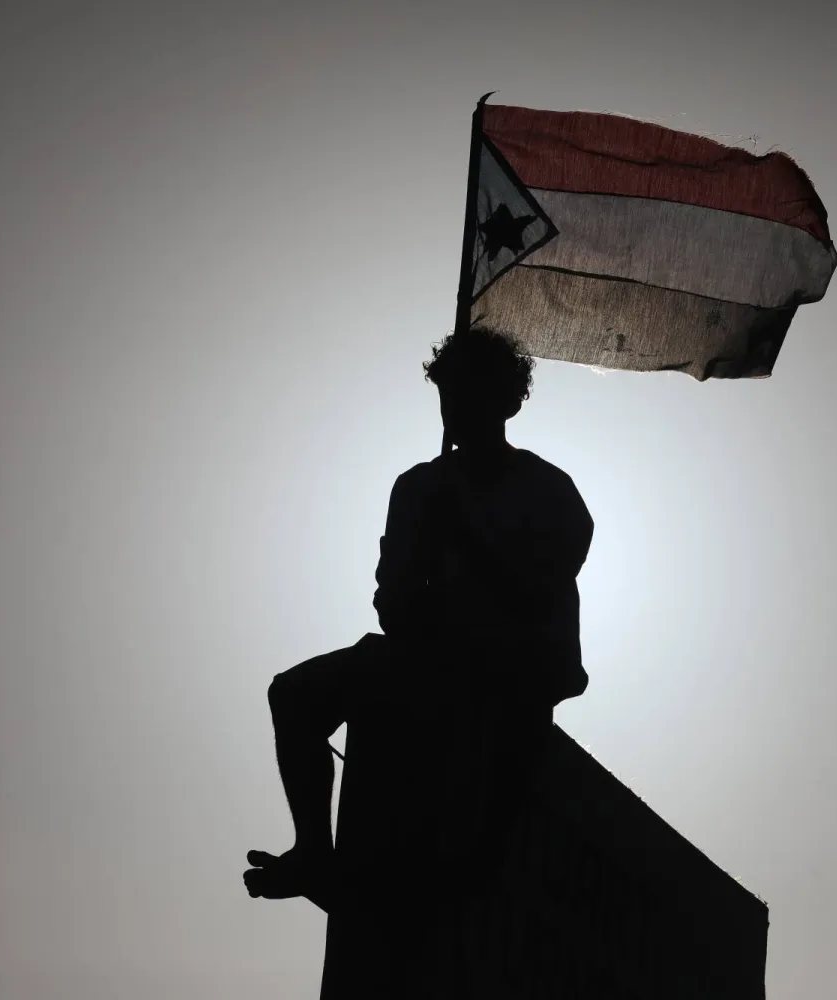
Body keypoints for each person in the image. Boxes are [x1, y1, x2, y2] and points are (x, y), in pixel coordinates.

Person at [243, 328, 594, 904]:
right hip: (429, 661)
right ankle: (314, 850)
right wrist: (419, 580)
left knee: (469, 869)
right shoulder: (418, 488)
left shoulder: (547, 491)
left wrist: (465, 538)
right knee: (294, 694)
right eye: (449, 394)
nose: (456, 408)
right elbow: (391, 604)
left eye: (471, 393)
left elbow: (541, 594)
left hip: (512, 677)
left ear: (506, 402)